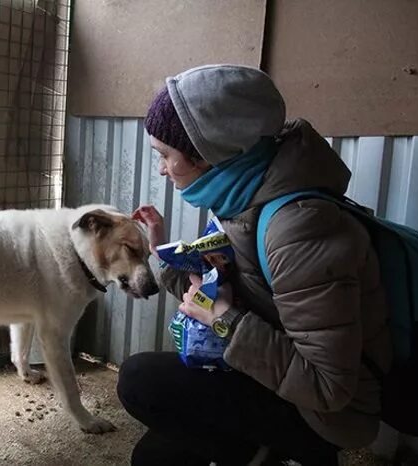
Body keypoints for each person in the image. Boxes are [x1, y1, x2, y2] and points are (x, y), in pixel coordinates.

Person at [117, 65, 392, 465]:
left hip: (321, 415)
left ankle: (278, 452)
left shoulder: (297, 227)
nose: (161, 169)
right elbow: (212, 288)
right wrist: (162, 250)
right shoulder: (243, 199)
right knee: (154, 457)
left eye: (165, 155)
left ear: (208, 154)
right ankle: (254, 451)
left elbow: (329, 387)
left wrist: (225, 320)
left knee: (140, 381)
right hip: (268, 373)